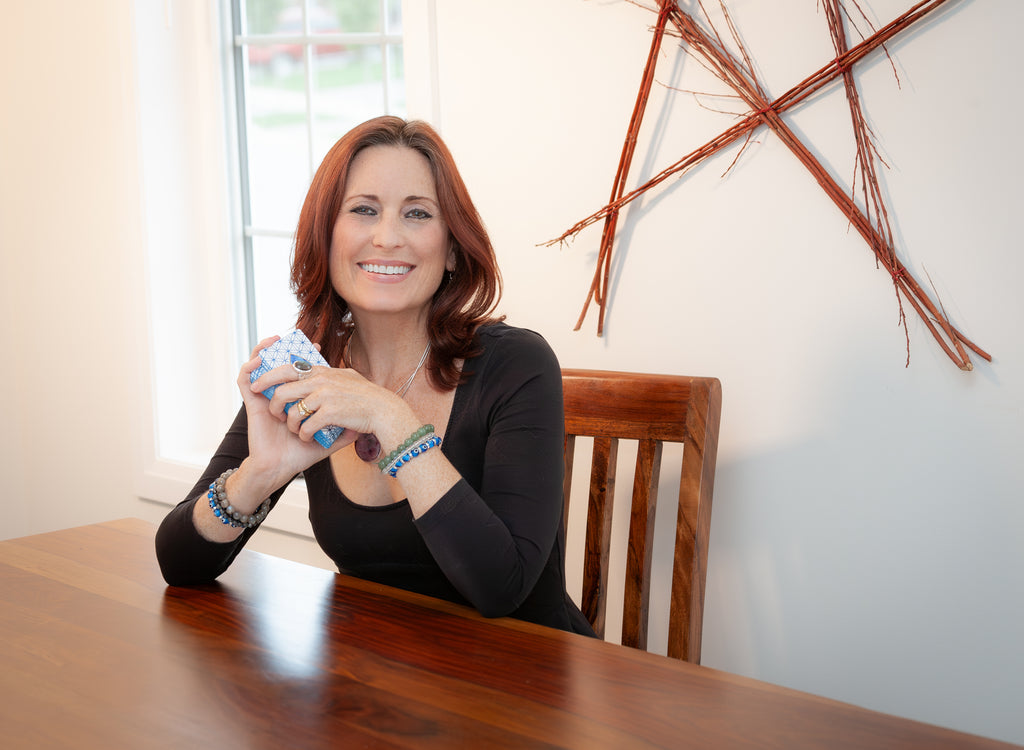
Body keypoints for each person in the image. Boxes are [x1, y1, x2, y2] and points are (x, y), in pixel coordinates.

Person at [155, 116, 595, 636]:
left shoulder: (517, 363)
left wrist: (390, 416)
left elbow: (503, 588)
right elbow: (179, 563)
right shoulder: (311, 370)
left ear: (453, 248)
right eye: (363, 210)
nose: (387, 238)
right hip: (376, 674)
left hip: (525, 672)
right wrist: (260, 474)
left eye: (417, 213)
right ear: (327, 237)